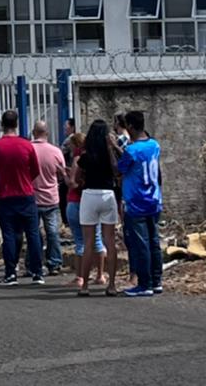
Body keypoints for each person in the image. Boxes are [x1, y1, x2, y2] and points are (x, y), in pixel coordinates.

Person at [0, 109, 43, 287]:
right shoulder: (27, 145)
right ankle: (37, 272)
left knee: (9, 235)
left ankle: (10, 273)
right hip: (26, 194)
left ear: (2, 124)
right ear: (17, 124)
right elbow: (35, 171)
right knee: (33, 235)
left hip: (6, 195)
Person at [116, 110, 163, 297]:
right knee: (154, 241)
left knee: (141, 244)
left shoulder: (131, 150)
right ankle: (157, 279)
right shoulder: (154, 145)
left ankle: (145, 283)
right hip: (154, 199)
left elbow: (118, 169)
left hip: (136, 202)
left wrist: (113, 147)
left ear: (130, 127)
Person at [73, 119, 120, 296]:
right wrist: (112, 147)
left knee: (88, 243)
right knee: (110, 241)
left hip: (89, 195)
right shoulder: (109, 155)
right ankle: (112, 285)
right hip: (108, 195)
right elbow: (117, 171)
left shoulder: (86, 155)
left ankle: (85, 286)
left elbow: (76, 178)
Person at [65, 132, 106, 289]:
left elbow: (73, 183)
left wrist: (64, 175)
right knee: (97, 238)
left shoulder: (79, 160)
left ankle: (80, 277)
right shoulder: (95, 158)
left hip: (76, 201)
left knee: (80, 240)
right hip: (93, 200)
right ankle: (100, 275)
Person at [31, 120, 67, 276]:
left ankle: (34, 263)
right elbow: (62, 172)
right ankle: (55, 262)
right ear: (47, 133)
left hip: (32, 197)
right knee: (52, 232)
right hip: (51, 196)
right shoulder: (56, 151)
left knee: (33, 233)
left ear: (33, 132)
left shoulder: (29, 149)